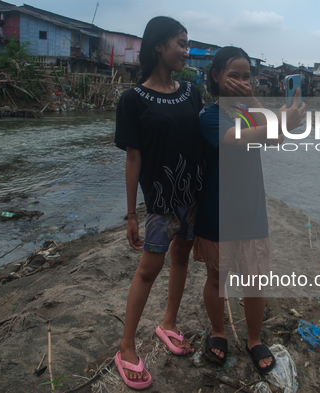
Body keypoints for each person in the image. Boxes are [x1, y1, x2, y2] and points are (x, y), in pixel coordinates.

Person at [193, 47, 305, 374]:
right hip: (217, 214)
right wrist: (283, 124)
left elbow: (273, 138)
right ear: (215, 76)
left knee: (255, 282)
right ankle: (218, 331)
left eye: (246, 77)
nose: (241, 83)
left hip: (252, 213)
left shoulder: (245, 110)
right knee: (217, 278)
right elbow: (245, 138)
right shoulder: (209, 117)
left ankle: (254, 339)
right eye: (233, 75)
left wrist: (256, 102)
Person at [113, 16, 203, 390]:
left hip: (193, 196)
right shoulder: (132, 100)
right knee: (149, 269)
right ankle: (126, 346)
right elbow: (133, 158)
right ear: (158, 47)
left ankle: (168, 323)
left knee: (182, 257)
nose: (185, 50)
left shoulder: (192, 91)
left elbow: (202, 139)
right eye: (179, 43)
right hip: (161, 200)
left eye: (187, 43)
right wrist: (132, 212)